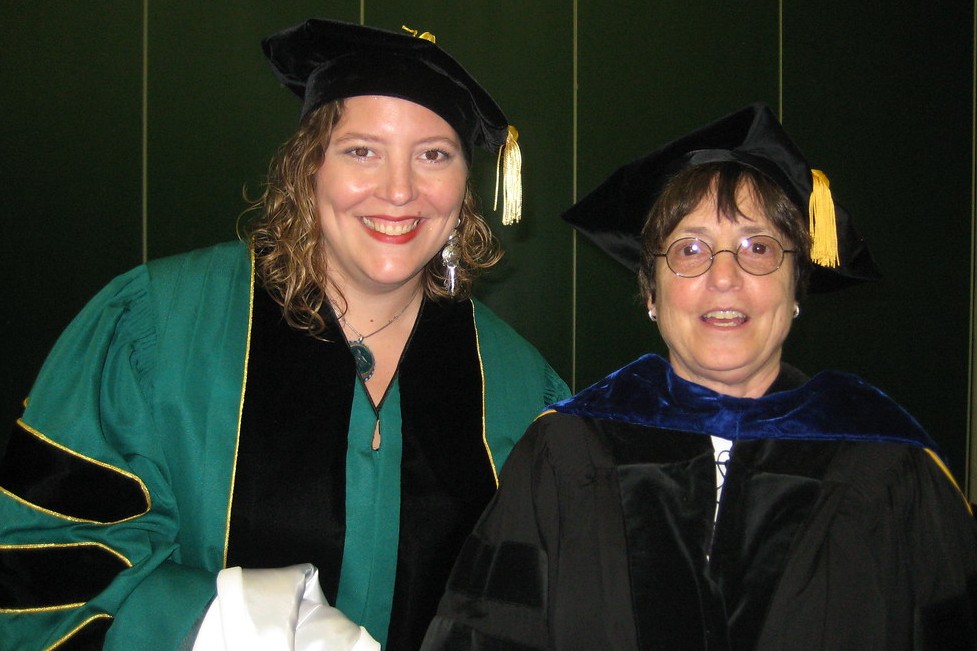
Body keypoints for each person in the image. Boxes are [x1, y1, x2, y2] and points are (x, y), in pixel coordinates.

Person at [0, 18, 569, 651]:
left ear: (465, 187)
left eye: (434, 154)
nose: (400, 190)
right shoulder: (155, 329)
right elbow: (42, 568)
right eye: (361, 150)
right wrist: (217, 624)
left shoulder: (517, 382)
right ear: (308, 167)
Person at [421, 103, 977, 650]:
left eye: (758, 247)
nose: (725, 277)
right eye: (690, 249)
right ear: (651, 294)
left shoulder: (889, 464)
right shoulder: (565, 452)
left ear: (797, 287)